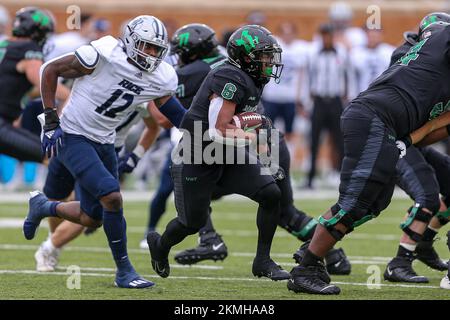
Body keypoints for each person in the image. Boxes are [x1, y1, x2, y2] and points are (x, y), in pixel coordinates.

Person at [287, 17, 450, 295]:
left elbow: (438, 126)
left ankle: (311, 249)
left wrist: (409, 139)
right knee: (357, 200)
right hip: (373, 117)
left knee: (374, 203)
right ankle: (307, 267)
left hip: (386, 125)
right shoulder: (436, 44)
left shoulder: (426, 61)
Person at [22, 15, 187, 288]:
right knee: (112, 196)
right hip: (72, 134)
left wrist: (204, 133)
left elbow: (173, 113)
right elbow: (50, 69)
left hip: (105, 141)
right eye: (147, 46)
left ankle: (44, 206)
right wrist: (50, 119)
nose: (152, 54)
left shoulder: (161, 76)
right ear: (132, 41)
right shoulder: (105, 52)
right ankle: (124, 271)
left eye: (157, 49)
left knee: (92, 217)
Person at [146, 25, 291, 281]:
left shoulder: (251, 76)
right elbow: (218, 130)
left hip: (227, 153)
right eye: (264, 56)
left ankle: (263, 261)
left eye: (270, 56)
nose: (270, 62)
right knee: (191, 223)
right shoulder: (230, 78)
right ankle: (161, 245)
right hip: (199, 154)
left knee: (270, 194)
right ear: (247, 57)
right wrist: (256, 135)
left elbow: (241, 119)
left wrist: (259, 130)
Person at [34, 103, 160, 272]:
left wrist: (135, 157)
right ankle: (53, 242)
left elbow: (157, 124)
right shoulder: (103, 79)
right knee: (56, 196)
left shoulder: (144, 91)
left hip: (105, 148)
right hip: (71, 137)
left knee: (90, 211)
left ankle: (48, 248)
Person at [0, 7, 69, 163]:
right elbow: (46, 84)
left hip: (4, 122)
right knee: (51, 154)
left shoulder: (5, 44)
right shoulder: (28, 50)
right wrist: (71, 94)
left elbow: (10, 85)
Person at [306, 23, 348, 189]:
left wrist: (348, 98)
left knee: (339, 140)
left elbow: (348, 75)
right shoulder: (313, 54)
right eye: (323, 35)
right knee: (314, 139)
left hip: (336, 100)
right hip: (319, 100)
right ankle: (310, 177)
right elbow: (309, 76)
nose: (326, 39)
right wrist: (306, 100)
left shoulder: (342, 53)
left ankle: (340, 174)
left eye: (329, 35)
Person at [348, 28, 394, 100]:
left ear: (381, 36)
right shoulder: (356, 53)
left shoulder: (389, 51)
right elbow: (351, 77)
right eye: (370, 36)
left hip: (382, 96)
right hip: (361, 96)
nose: (373, 39)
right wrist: (351, 96)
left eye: (375, 36)